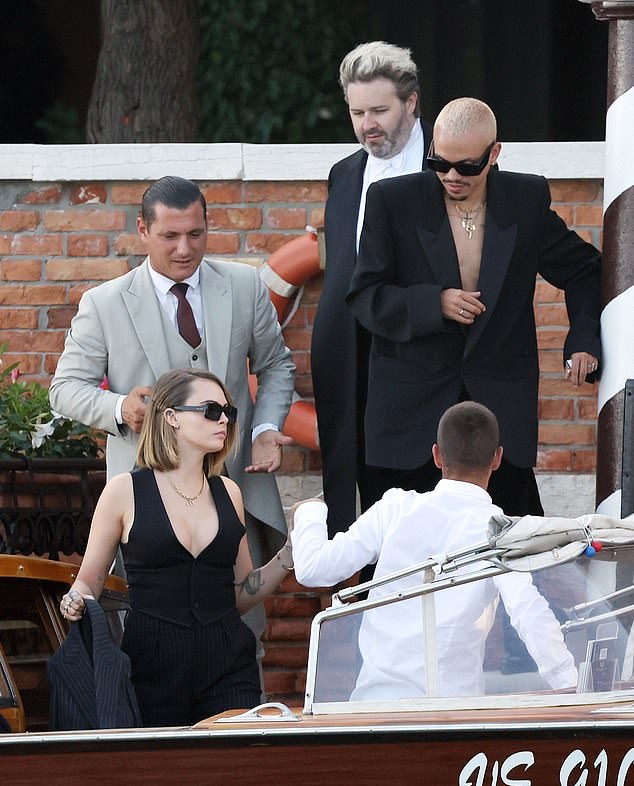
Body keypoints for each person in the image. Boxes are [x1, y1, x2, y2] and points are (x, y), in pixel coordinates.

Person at [50, 175, 295, 686]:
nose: (185, 249)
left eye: (196, 234)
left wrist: (266, 426)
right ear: (143, 230)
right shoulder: (105, 302)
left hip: (233, 489)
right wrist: (121, 408)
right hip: (145, 496)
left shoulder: (245, 285)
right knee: (149, 632)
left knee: (241, 623)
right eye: (170, 237)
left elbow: (276, 364)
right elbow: (65, 389)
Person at [346, 97, 601, 518]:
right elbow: (365, 295)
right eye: (439, 163)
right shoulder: (393, 200)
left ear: (494, 153)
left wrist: (583, 338)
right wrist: (435, 302)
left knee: (514, 553)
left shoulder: (524, 198)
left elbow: (585, 269)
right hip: (411, 413)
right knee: (400, 558)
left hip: (498, 412)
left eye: (466, 166)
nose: (450, 175)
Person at [290, 402, 577, 699]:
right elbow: (528, 612)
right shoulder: (499, 530)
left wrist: (309, 512)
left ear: (437, 455)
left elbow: (314, 569)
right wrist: (573, 688)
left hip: (374, 707)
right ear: (497, 459)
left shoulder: (394, 508)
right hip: (451, 716)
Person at [59, 368, 294, 726]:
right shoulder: (125, 491)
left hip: (228, 664)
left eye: (228, 413)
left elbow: (242, 592)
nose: (224, 421)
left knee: (230, 771)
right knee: (163, 776)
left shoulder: (228, 492)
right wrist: (74, 598)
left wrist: (289, 556)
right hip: (151, 665)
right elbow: (90, 580)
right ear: (171, 417)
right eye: (211, 411)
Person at [311, 42, 433, 536]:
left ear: (412, 103)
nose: (368, 124)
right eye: (357, 113)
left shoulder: (444, 166)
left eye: (379, 110)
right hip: (346, 357)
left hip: (419, 355)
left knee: (418, 501)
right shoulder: (343, 174)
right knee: (356, 500)